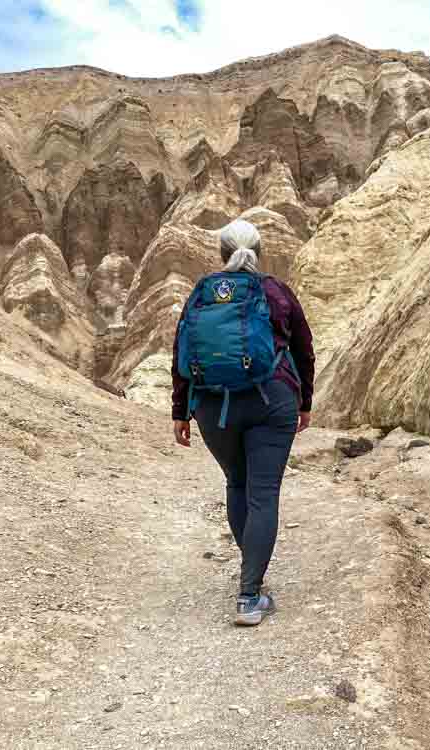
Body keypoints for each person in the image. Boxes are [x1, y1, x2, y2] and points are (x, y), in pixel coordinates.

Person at [171, 219, 315, 626]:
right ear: (260, 251)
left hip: (214, 409)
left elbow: (180, 354)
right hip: (273, 403)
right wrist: (304, 401)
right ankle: (249, 594)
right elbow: (304, 350)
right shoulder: (276, 292)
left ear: (220, 254)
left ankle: (253, 581)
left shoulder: (200, 296)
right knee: (263, 494)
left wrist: (180, 412)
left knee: (237, 483)